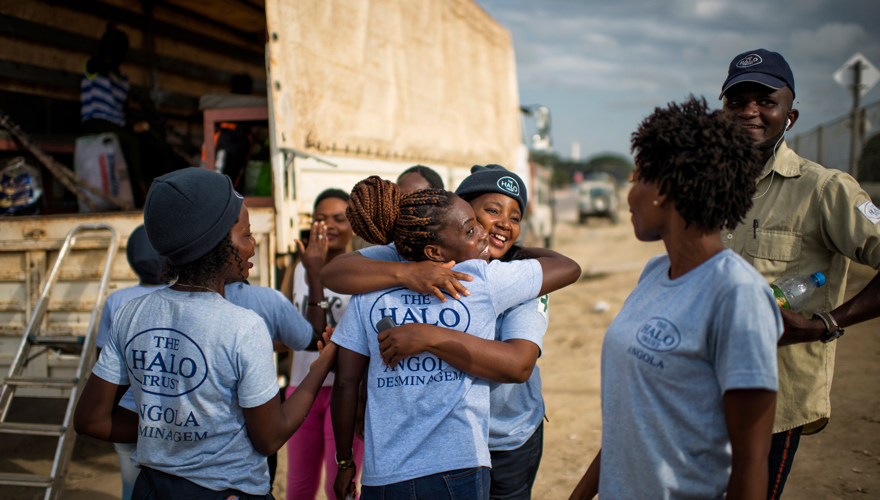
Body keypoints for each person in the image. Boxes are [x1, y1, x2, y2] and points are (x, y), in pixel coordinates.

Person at [74, 167, 336, 499]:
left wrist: (169, 433)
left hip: (152, 489)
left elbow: (90, 419)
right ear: (218, 245)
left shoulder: (132, 313)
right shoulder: (243, 326)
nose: (253, 246)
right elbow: (269, 438)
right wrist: (319, 369)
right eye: (246, 234)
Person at [569, 97, 783, 499]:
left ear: (665, 188)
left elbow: (751, 463)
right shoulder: (654, 273)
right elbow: (634, 422)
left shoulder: (737, 295)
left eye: (636, 180)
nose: (629, 197)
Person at [328, 176, 580, 500]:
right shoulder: (481, 278)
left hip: (498, 440)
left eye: (515, 218)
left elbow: (347, 381)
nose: (493, 229)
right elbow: (568, 267)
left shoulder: (368, 285)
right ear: (434, 245)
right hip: (458, 463)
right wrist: (407, 273)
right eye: (475, 223)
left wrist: (346, 459)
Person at [718, 49, 880, 499]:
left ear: (789, 116)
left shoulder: (824, 190)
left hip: (774, 396)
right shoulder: (710, 186)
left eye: (764, 101)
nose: (749, 111)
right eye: (737, 101)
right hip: (704, 386)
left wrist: (827, 323)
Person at [285, 189, 365, 500]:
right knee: (299, 487)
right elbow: (293, 329)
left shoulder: (360, 272)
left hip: (345, 393)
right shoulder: (299, 270)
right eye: (320, 218)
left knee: (340, 488)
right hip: (301, 387)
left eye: (338, 219)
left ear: (353, 226)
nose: (328, 225)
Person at [94, 225, 168, 500]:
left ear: (131, 260)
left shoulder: (116, 300)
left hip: (128, 413)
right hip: (172, 413)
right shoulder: (181, 296)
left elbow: (103, 359)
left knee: (131, 485)